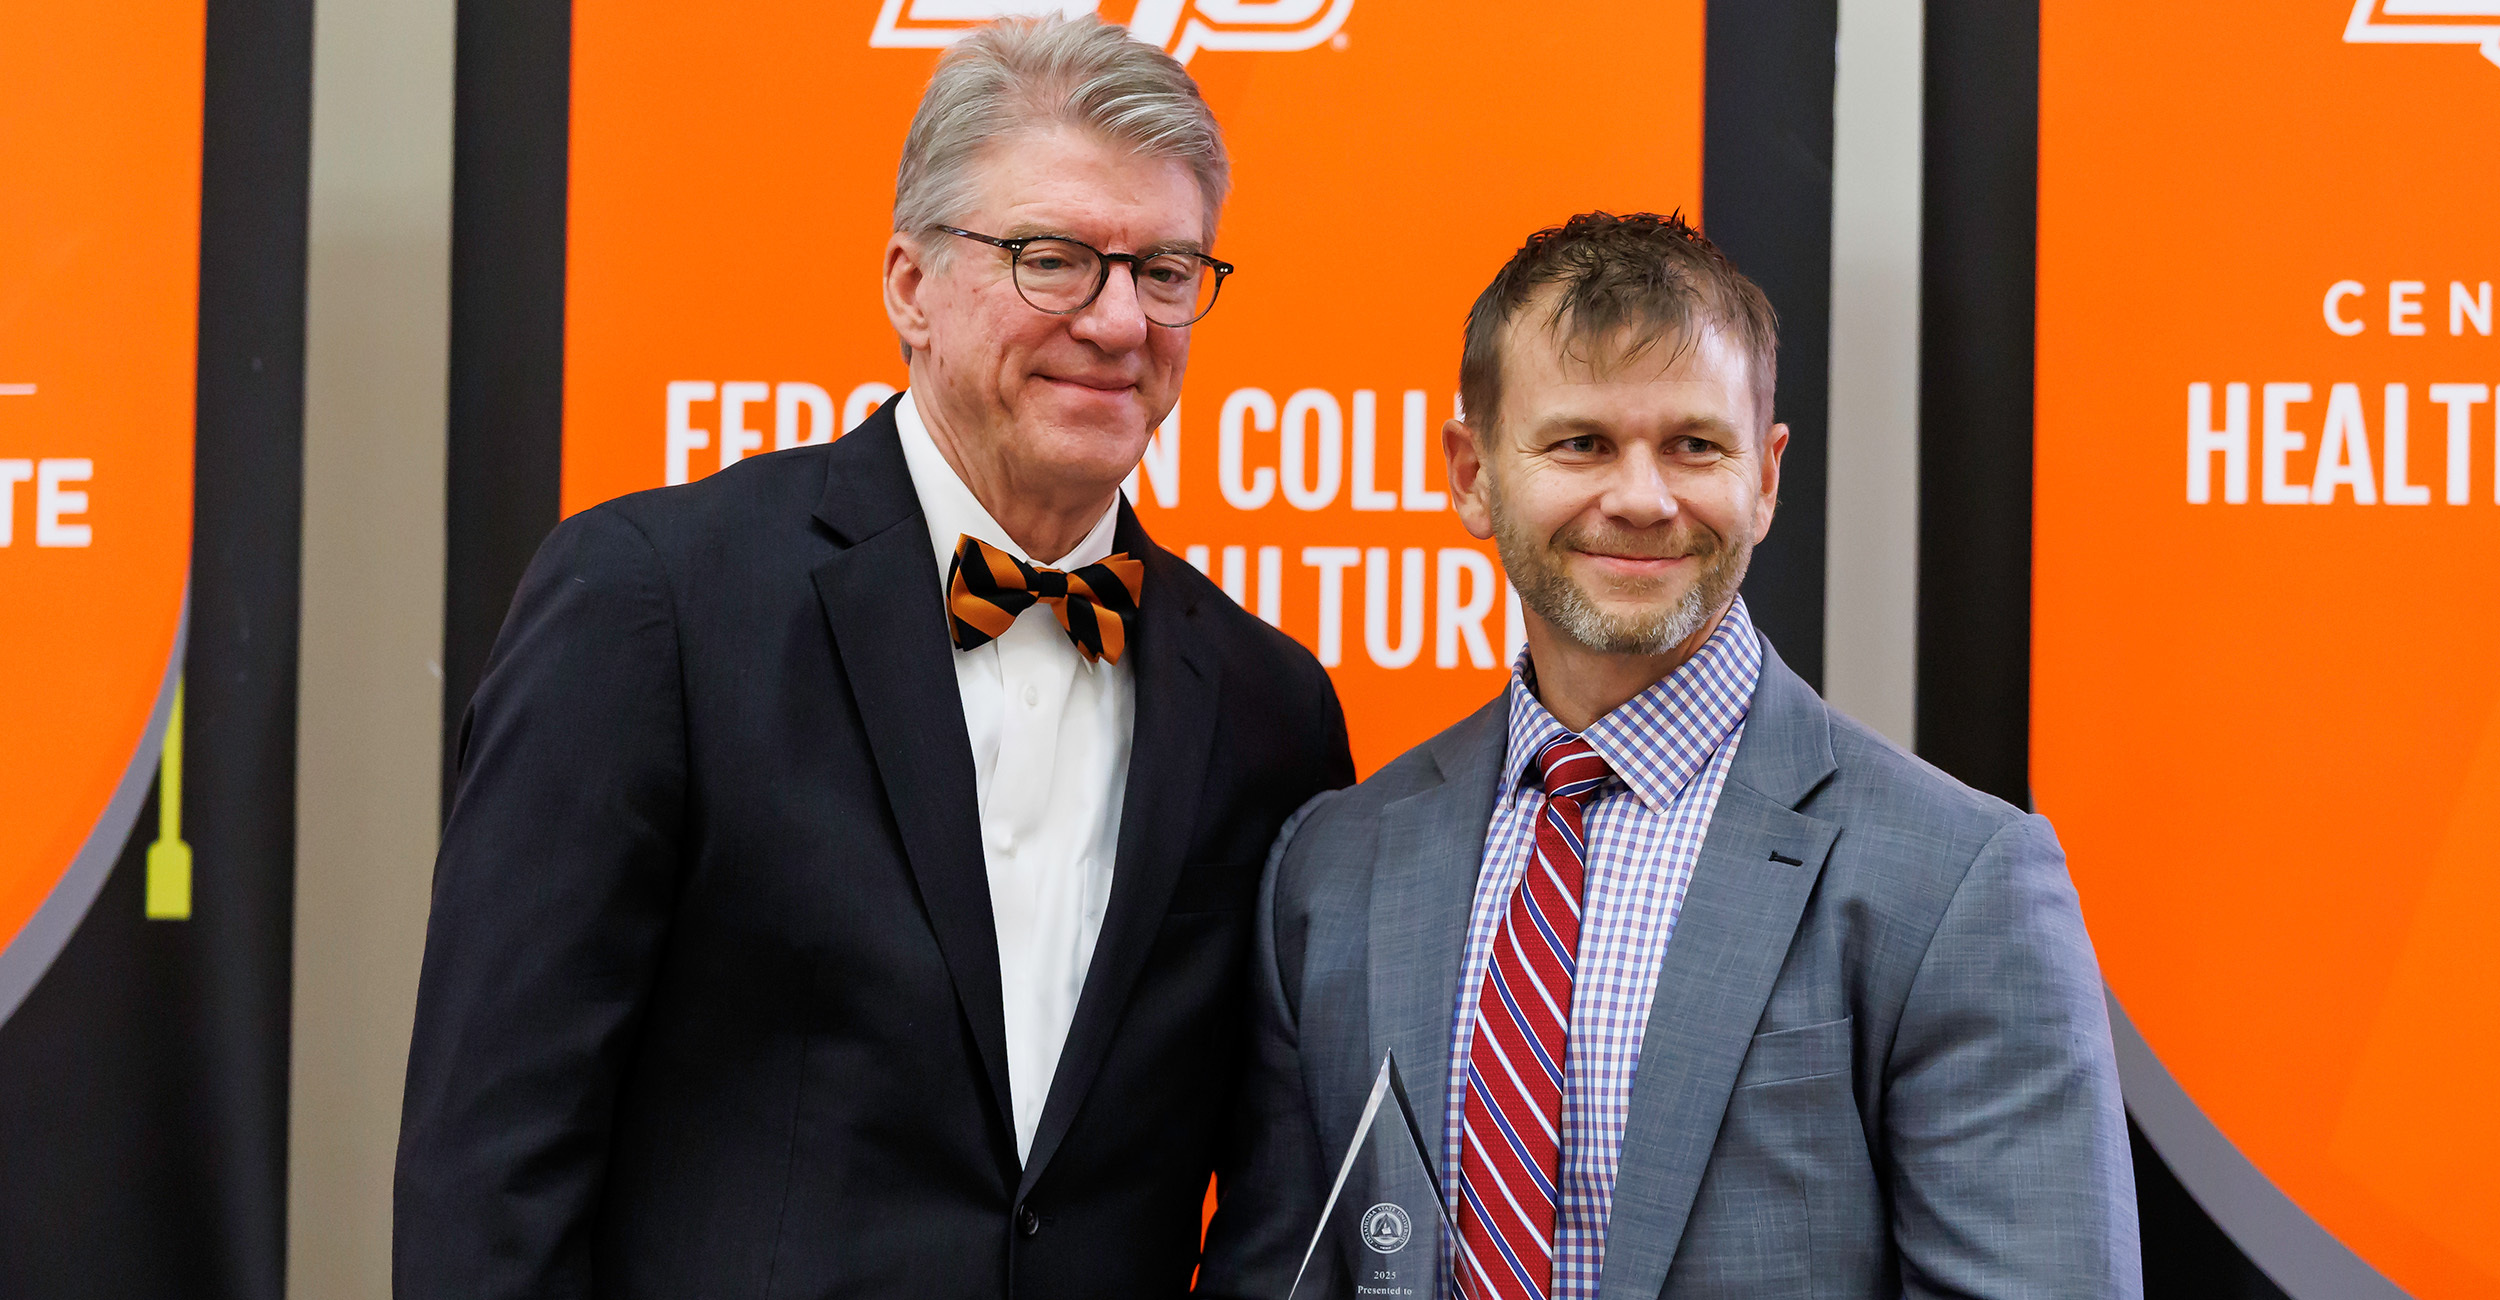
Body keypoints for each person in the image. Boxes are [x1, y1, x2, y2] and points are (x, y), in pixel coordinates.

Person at [395, 17, 1352, 1298]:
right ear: (909, 283)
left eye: (1166, 269)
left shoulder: (1269, 705)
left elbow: (1280, 1200)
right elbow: (490, 1163)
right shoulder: (650, 604)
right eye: (1053, 258)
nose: (1121, 321)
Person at [1196, 212, 2138, 1299]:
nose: (1642, 498)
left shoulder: (1958, 878)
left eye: (1694, 444)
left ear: (1766, 476)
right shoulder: (1332, 865)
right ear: (1471, 473)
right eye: (1580, 442)